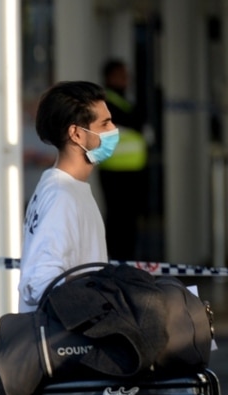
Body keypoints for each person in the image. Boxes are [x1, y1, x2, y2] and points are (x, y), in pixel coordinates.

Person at [19, 81, 114, 313]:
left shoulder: (67, 189)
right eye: (105, 123)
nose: (113, 130)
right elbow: (39, 282)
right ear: (77, 134)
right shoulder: (61, 197)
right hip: (61, 345)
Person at [97, 59, 149, 261]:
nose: (126, 79)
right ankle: (116, 261)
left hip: (132, 170)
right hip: (115, 171)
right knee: (118, 221)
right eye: (121, 74)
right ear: (110, 77)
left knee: (129, 222)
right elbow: (134, 120)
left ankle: (127, 262)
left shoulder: (126, 100)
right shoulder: (107, 102)